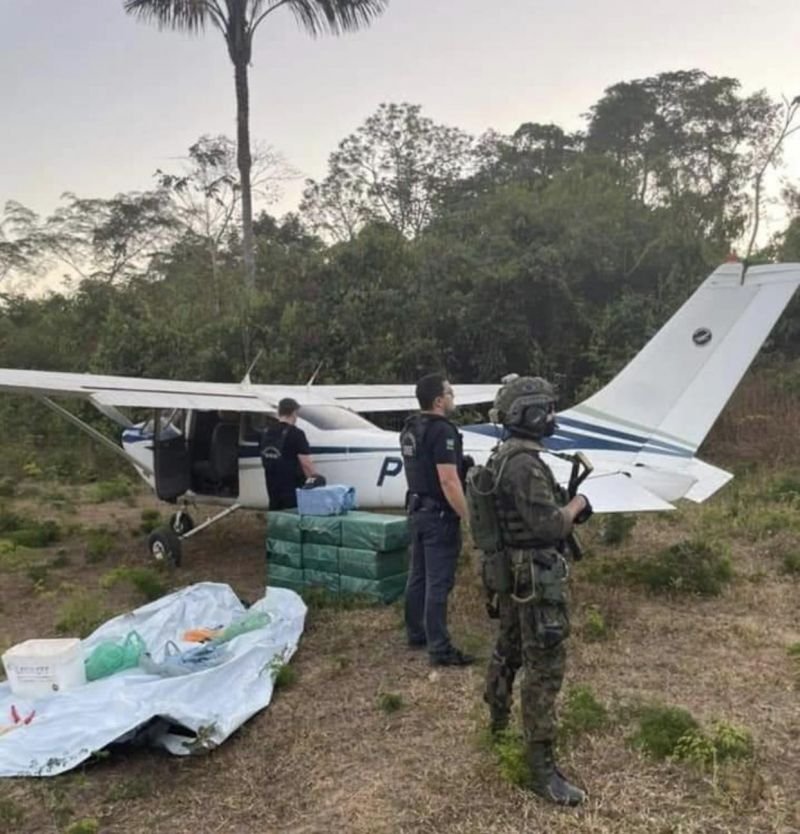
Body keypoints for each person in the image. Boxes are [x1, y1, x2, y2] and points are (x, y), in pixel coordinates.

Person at [482, 375, 592, 806]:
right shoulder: (525, 464)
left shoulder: (504, 455)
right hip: (534, 582)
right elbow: (548, 524)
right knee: (543, 668)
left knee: (507, 650)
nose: (551, 416)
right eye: (544, 409)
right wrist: (577, 506)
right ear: (525, 414)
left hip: (512, 577)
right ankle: (541, 770)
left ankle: (496, 722)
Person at [400, 373, 475, 667]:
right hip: (438, 515)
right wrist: (467, 515)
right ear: (439, 400)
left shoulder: (410, 428)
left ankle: (416, 632)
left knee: (417, 576)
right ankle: (440, 648)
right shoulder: (442, 431)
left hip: (416, 510)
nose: (453, 396)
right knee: (438, 582)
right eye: (450, 392)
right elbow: (448, 481)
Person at [260, 398, 320, 510]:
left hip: (272, 484)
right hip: (292, 486)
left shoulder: (266, 432)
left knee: (276, 513)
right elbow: (306, 463)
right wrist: (315, 479)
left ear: (279, 411)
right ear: (294, 412)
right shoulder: (297, 433)